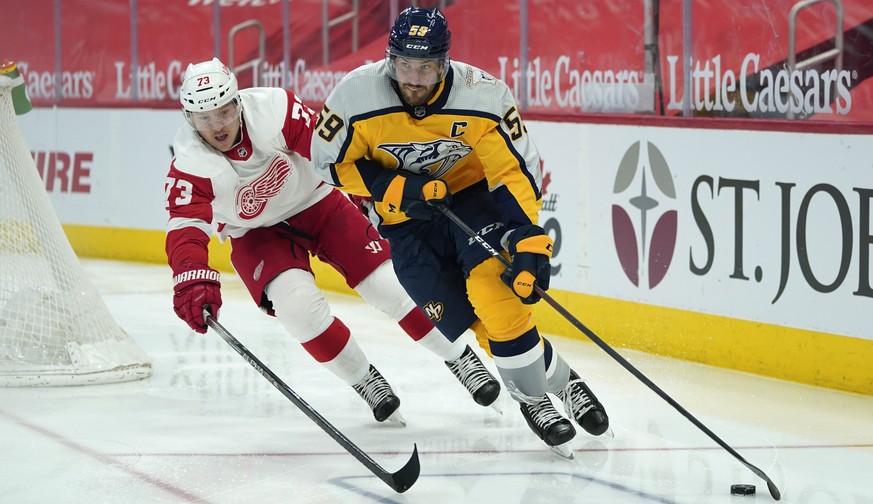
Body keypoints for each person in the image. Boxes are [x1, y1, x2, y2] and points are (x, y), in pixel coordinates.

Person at [310, 8, 610, 455]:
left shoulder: (483, 94)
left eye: (425, 67)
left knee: (496, 292)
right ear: (390, 60)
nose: (413, 78)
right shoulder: (355, 95)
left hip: (469, 201)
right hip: (403, 223)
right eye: (404, 66)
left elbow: (514, 170)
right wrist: (397, 187)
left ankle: (533, 401)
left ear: (445, 62)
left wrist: (526, 237)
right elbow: (328, 162)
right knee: (469, 321)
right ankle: (563, 381)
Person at [164, 57, 500, 425]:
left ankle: (459, 356)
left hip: (318, 201)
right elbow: (186, 227)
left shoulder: (273, 108)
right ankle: (365, 381)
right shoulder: (189, 163)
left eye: (225, 111)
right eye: (205, 118)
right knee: (299, 311)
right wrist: (192, 275)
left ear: (238, 102)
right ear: (189, 119)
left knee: (391, 285)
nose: (218, 126)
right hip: (256, 233)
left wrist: (370, 189)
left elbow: (325, 149)